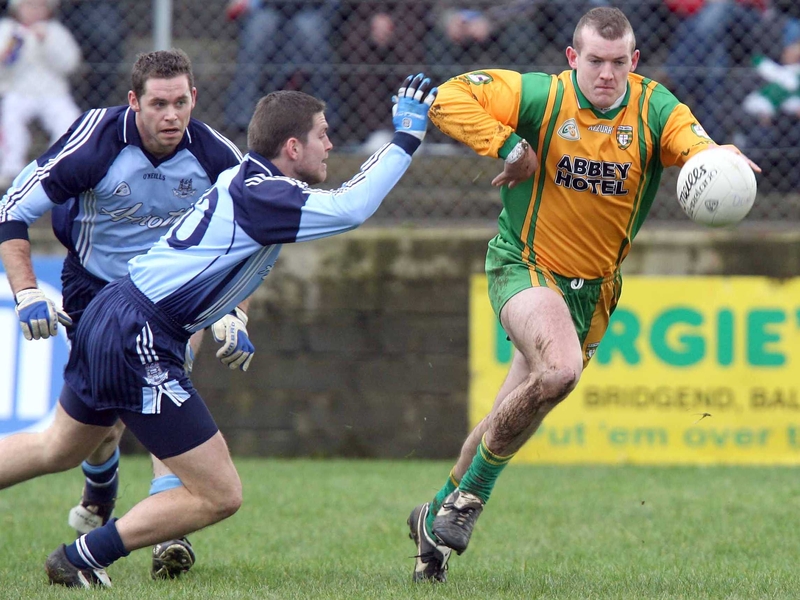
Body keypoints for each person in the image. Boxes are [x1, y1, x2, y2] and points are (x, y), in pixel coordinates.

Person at [0, 72, 436, 588]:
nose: (330, 145)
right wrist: (405, 139)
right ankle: (80, 558)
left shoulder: (241, 176)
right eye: (323, 134)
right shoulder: (264, 194)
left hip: (114, 315)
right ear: (292, 146)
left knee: (61, 448)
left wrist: (232, 313)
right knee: (219, 493)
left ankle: (109, 534)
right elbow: (351, 207)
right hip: (140, 333)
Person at [407, 6, 761, 583]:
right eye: (594, 60)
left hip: (593, 293)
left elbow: (692, 145)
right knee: (561, 370)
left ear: (634, 62)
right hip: (525, 266)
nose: (606, 74)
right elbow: (446, 97)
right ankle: (469, 502)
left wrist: (717, 161)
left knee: (514, 409)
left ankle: (434, 520)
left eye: (619, 63)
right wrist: (509, 147)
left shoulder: (654, 107)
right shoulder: (540, 97)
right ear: (573, 58)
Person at [0, 48, 245, 580]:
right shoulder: (95, 143)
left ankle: (166, 527)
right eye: (158, 103)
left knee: (166, 391)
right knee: (84, 438)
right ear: (133, 102)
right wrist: (25, 292)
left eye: (181, 102)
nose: (171, 116)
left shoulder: (217, 158)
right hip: (95, 295)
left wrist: (235, 314)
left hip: (172, 301)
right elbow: (11, 211)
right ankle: (107, 491)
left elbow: (248, 240)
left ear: (194, 98)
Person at [223, 0, 339, 135]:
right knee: (256, 38)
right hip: (267, 6)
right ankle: (239, 123)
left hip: (311, 7)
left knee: (313, 41)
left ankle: (327, 120)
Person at [0, 0, 82, 188]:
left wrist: (47, 42)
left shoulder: (55, 31)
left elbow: (70, 64)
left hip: (53, 92)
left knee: (69, 120)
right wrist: (6, 54)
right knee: (10, 121)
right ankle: (11, 169)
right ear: (17, 8)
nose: (34, 11)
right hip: (17, 91)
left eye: (40, 6)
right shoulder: (7, 29)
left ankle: (56, 167)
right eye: (28, 6)